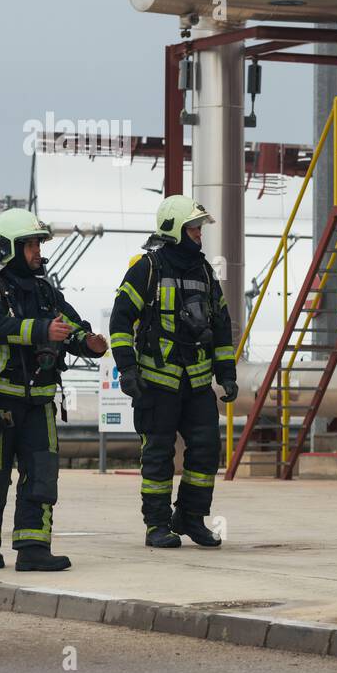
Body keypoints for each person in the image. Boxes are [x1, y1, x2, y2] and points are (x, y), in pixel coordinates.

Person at [0, 208, 107, 571]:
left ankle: (33, 549)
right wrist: (42, 331)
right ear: (6, 249)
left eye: (38, 244)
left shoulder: (46, 292)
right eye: (29, 245)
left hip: (40, 402)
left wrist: (87, 342)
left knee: (42, 475)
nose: (37, 252)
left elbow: (70, 326)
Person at [109, 195, 237, 549]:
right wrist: (128, 370)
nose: (199, 235)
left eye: (199, 229)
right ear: (175, 229)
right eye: (194, 229)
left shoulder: (205, 272)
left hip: (197, 384)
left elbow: (222, 325)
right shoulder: (146, 268)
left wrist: (227, 373)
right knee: (158, 455)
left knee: (206, 451)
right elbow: (120, 321)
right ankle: (157, 525)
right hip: (156, 383)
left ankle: (191, 518)